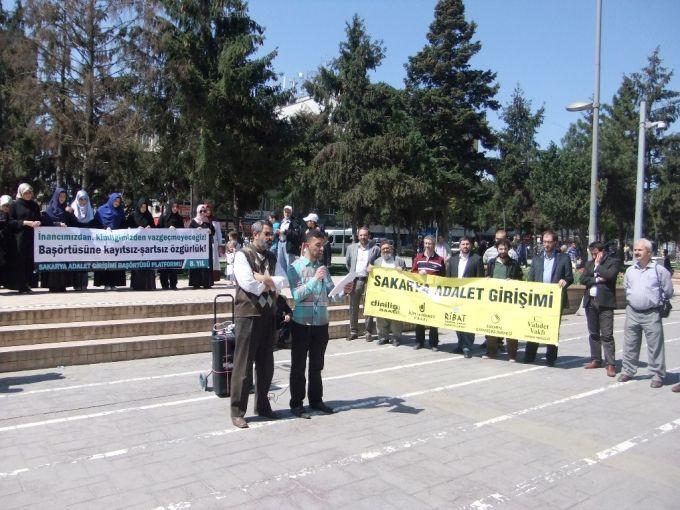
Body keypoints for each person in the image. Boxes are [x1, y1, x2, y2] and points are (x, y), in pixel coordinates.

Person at [287, 229, 353, 419]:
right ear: (307, 245)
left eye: (323, 245)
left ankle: (316, 400)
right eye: (318, 245)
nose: (321, 249)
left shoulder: (323, 268)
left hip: (321, 324)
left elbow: (332, 295)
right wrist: (315, 280)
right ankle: (297, 404)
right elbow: (297, 296)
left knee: (317, 365)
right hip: (302, 324)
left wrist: (344, 290)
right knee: (298, 366)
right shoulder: (295, 267)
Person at [230, 220, 278, 428]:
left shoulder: (273, 256)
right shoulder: (243, 255)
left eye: (271, 235)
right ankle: (237, 411)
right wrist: (268, 283)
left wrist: (263, 279)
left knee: (266, 364)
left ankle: (263, 405)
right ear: (255, 233)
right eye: (266, 234)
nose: (269, 238)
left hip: (268, 314)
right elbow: (247, 283)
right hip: (248, 314)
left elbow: (282, 281)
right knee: (243, 365)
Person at [618, 238, 674, 388]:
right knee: (630, 344)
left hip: (652, 314)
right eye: (635, 249)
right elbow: (626, 288)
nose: (636, 252)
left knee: (655, 346)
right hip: (632, 312)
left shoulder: (659, 270)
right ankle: (628, 371)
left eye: (640, 250)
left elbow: (668, 291)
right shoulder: (630, 270)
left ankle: (657, 375)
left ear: (648, 252)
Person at [524, 230, 574, 366]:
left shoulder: (564, 258)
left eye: (549, 242)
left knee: (552, 329)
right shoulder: (537, 258)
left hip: (554, 300)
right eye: (544, 242)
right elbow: (531, 278)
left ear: (555, 243)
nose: (546, 244)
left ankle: (551, 357)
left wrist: (565, 281)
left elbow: (570, 277)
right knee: (534, 326)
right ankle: (530, 355)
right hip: (538, 300)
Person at [581, 241, 619, 377]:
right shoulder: (589, 263)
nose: (594, 256)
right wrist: (597, 280)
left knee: (607, 335)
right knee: (593, 333)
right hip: (591, 302)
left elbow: (610, 276)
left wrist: (598, 266)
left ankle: (610, 364)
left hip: (605, 303)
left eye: (596, 253)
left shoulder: (613, 262)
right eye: (592, 253)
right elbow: (583, 279)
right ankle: (596, 359)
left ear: (602, 251)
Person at [484, 239, 523, 360]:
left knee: (511, 328)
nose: (503, 251)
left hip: (509, 301)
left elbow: (521, 281)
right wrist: (487, 279)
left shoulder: (514, 264)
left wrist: (514, 281)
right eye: (501, 248)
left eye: (505, 249)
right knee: (491, 327)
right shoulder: (491, 263)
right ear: (497, 249)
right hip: (494, 301)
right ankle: (491, 353)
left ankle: (512, 355)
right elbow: (487, 278)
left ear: (508, 249)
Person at [446, 236, 484, 358]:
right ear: (459, 246)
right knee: (458, 321)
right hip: (456, 297)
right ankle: (460, 343)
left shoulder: (477, 259)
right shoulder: (452, 260)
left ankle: (467, 346)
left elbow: (480, 279)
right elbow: (448, 279)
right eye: (463, 244)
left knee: (468, 321)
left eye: (467, 244)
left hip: (470, 297)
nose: (465, 246)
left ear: (471, 245)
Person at [345, 226, 380, 341]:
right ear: (357, 236)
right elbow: (348, 264)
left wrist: (373, 267)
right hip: (355, 281)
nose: (363, 237)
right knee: (353, 307)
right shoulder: (351, 248)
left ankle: (368, 332)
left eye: (365, 235)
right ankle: (353, 331)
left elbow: (379, 263)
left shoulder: (375, 249)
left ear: (368, 236)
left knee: (368, 308)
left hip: (368, 281)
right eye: (361, 235)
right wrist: (353, 274)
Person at [412, 235, 446, 350]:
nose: (427, 246)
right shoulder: (418, 257)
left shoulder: (440, 259)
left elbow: (443, 277)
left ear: (434, 245)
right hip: (420, 293)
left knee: (433, 319)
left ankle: (433, 343)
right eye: (426, 243)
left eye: (430, 243)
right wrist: (418, 272)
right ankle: (419, 342)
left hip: (434, 294)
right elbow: (412, 274)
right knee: (419, 318)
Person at [6, 183, 42, 293]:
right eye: (26, 192)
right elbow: (10, 222)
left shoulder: (34, 205)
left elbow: (39, 218)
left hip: (32, 237)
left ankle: (27, 284)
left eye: (30, 192)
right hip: (19, 237)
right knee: (20, 261)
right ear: (21, 193)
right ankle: (20, 285)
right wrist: (25, 223)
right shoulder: (14, 205)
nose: (28, 194)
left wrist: (38, 222)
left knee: (29, 261)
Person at [40, 187, 77, 292]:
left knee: (63, 263)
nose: (62, 198)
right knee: (53, 263)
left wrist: (71, 213)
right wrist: (57, 224)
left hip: (64, 242)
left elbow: (75, 224)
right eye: (60, 196)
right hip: (51, 242)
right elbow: (45, 223)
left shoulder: (67, 209)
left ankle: (63, 285)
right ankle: (52, 285)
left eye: (64, 196)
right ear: (56, 196)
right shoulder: (49, 210)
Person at [371, 239, 407, 346]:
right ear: (380, 250)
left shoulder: (399, 261)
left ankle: (396, 337)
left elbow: (407, 277)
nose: (386, 250)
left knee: (396, 316)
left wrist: (403, 271)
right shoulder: (377, 261)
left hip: (396, 294)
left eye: (388, 248)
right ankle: (383, 337)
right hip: (381, 294)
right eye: (383, 249)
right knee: (381, 316)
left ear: (391, 249)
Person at [94, 192, 127, 290]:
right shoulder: (101, 210)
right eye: (115, 200)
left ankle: (113, 283)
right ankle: (106, 284)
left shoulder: (120, 211)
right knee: (105, 263)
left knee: (114, 263)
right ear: (111, 200)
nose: (116, 203)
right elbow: (96, 224)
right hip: (104, 241)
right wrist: (104, 229)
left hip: (116, 241)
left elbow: (122, 224)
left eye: (118, 201)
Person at [126, 198, 156, 291]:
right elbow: (127, 227)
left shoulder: (149, 215)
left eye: (145, 207)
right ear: (138, 207)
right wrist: (136, 228)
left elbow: (154, 227)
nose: (143, 209)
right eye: (142, 207)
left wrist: (149, 227)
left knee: (148, 265)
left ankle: (149, 285)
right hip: (136, 245)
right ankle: (137, 285)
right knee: (137, 265)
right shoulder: (133, 215)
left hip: (147, 245)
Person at [70, 190, 96, 291]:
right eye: (81, 199)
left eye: (85, 199)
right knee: (76, 263)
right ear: (77, 199)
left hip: (87, 242)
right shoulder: (72, 210)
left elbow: (94, 225)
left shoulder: (90, 210)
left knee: (85, 263)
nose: (83, 201)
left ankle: (84, 284)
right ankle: (76, 284)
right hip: (75, 242)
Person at [157, 199, 184, 290]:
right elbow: (157, 230)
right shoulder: (163, 216)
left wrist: (176, 229)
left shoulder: (179, 218)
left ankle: (173, 284)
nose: (175, 208)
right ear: (170, 207)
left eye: (177, 207)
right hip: (164, 246)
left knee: (174, 266)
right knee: (164, 265)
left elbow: (183, 231)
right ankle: (164, 284)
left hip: (174, 246)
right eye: (173, 207)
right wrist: (167, 229)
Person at [188, 205, 215, 289]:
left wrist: (210, 231)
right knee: (196, 264)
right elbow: (189, 233)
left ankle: (206, 283)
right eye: (201, 211)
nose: (203, 213)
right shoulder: (193, 222)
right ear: (197, 211)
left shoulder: (207, 221)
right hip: (196, 248)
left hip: (206, 247)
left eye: (204, 211)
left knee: (206, 264)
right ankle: (196, 283)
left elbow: (213, 231)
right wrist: (196, 231)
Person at [0, 195, 22, 289]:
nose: (6, 207)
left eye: (8, 205)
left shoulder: (12, 214)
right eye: (4, 205)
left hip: (10, 243)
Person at [204, 202, 223, 282]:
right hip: (203, 244)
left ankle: (213, 278)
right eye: (206, 210)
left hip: (213, 243)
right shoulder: (200, 220)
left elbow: (218, 232)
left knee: (214, 260)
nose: (208, 212)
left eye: (209, 210)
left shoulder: (215, 220)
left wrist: (220, 244)